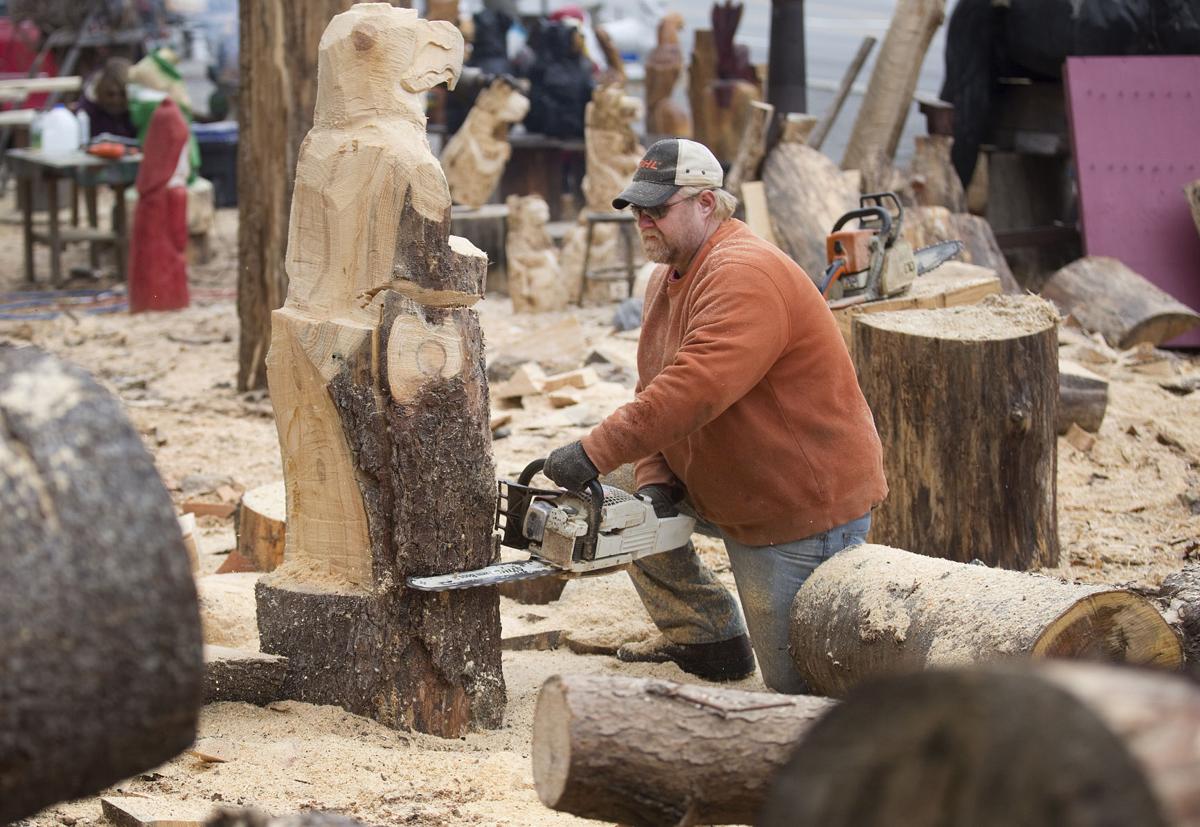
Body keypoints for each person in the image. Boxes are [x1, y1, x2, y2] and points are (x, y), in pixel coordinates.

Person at [541, 138, 888, 693]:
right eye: (639, 209)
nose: (644, 221)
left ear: (707, 203)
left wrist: (591, 449)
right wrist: (652, 482)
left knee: (796, 687)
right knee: (617, 495)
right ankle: (708, 638)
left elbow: (692, 390)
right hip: (728, 478)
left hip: (792, 500)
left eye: (659, 208)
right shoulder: (667, 277)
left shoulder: (743, 272)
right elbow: (653, 390)